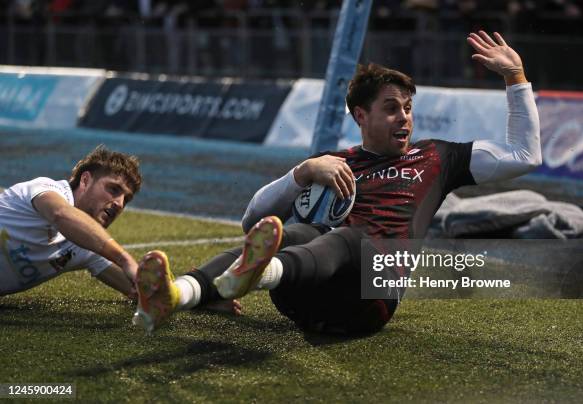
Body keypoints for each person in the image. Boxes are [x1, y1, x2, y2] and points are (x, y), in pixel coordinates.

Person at [132, 31, 542, 335]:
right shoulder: (334, 162)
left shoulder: (438, 157)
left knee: (347, 238)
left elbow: (525, 156)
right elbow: (252, 220)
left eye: (408, 108)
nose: (404, 118)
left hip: (369, 300)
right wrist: (304, 171)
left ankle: (254, 274)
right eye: (391, 109)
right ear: (360, 116)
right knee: (297, 230)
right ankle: (173, 296)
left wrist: (516, 77)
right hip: (302, 296)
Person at [0, 145, 142, 298]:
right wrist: (124, 258)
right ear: (85, 180)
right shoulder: (46, 189)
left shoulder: (88, 248)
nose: (120, 203)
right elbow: (60, 214)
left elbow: (137, 291)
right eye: (114, 189)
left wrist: (155, 287)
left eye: (126, 199)